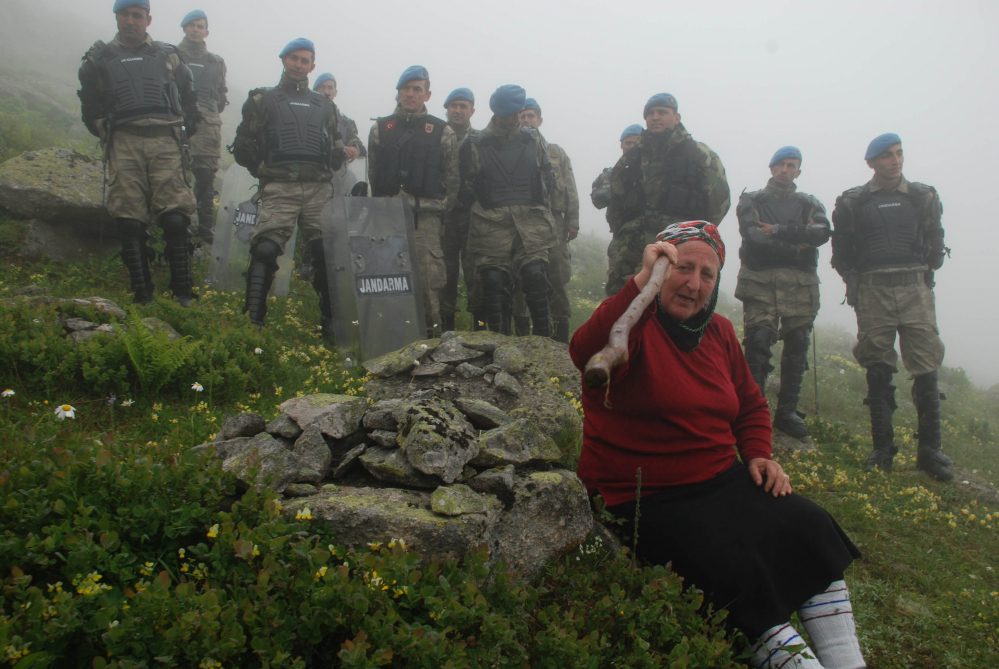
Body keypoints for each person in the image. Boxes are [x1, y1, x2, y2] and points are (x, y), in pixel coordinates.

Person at [570, 222, 865, 669]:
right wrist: (637, 284)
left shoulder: (720, 332)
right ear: (658, 269)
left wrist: (760, 453)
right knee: (734, 569)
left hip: (719, 479)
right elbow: (584, 349)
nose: (694, 283)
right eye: (682, 268)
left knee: (808, 525)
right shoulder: (631, 327)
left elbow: (749, 404)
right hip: (645, 494)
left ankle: (847, 661)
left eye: (707, 274)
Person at [831, 134, 952, 481]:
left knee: (926, 365)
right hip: (873, 290)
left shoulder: (922, 196)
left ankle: (930, 451)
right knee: (878, 365)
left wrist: (924, 269)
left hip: (915, 286)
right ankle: (882, 449)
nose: (895, 161)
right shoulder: (854, 201)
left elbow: (935, 241)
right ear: (871, 163)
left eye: (899, 154)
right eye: (886, 156)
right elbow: (842, 250)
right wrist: (858, 280)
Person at [78, 0, 202, 307]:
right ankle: (142, 294)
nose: (130, 20)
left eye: (137, 15)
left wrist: (182, 134)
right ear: (117, 17)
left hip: (166, 140)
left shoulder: (168, 55)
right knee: (129, 220)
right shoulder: (97, 59)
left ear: (148, 19)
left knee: (175, 218)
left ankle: (183, 295)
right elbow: (90, 108)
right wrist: (109, 133)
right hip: (124, 141)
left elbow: (190, 103)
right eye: (125, 14)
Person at [229, 38, 343, 335]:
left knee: (325, 253)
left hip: (318, 189)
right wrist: (266, 172)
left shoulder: (326, 106)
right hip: (279, 187)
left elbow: (336, 149)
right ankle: (253, 320)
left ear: (312, 66)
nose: (299, 64)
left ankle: (333, 324)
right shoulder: (261, 100)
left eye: (305, 60)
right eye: (294, 58)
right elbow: (243, 145)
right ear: (284, 60)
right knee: (265, 249)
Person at [735, 146, 831, 439]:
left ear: (798, 171)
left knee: (798, 343)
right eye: (781, 165)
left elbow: (822, 234)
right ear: (771, 167)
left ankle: (787, 411)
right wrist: (797, 244)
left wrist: (775, 230)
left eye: (792, 166)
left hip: (800, 282)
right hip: (760, 278)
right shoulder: (751, 200)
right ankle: (753, 410)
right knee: (758, 341)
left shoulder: (810, 203)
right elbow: (752, 236)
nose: (785, 170)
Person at [605, 93, 730, 296]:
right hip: (631, 253)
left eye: (662, 112)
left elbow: (718, 204)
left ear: (676, 117)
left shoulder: (700, 155)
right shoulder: (630, 158)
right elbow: (616, 205)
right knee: (622, 308)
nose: (655, 117)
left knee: (676, 309)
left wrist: (690, 238)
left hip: (680, 251)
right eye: (651, 113)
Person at [459, 85, 558, 336]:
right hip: (490, 225)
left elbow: (548, 178)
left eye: (517, 112)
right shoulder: (474, 144)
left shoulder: (533, 138)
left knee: (536, 278)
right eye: (508, 113)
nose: (514, 118)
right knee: (493, 285)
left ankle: (544, 344)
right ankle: (499, 348)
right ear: (497, 112)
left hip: (531, 224)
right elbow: (464, 188)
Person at [368, 66, 460, 337]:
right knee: (385, 281)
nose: (410, 94)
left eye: (417, 89)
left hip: (426, 222)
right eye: (406, 88)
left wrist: (436, 210)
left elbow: (452, 182)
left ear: (427, 94)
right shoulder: (381, 129)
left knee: (428, 285)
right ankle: (387, 340)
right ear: (398, 92)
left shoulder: (443, 132)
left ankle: (431, 345)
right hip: (387, 220)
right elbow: (374, 173)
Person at [516, 98, 580, 343]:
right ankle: (523, 338)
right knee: (522, 278)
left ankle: (560, 339)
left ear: (539, 120)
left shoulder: (556, 152)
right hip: (523, 222)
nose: (526, 120)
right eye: (522, 115)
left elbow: (570, 187)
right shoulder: (512, 148)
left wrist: (572, 220)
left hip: (554, 222)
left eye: (530, 116)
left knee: (557, 276)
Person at [176, 9, 227, 243]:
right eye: (192, 25)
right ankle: (179, 224)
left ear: (207, 31)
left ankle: (205, 227)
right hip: (177, 119)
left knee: (206, 178)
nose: (196, 30)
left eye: (200, 26)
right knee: (176, 174)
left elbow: (220, 95)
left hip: (208, 126)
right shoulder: (172, 55)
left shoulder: (216, 62)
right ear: (184, 28)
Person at [440, 87, 478, 332]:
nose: (458, 110)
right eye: (453, 105)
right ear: (447, 109)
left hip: (474, 216)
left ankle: (481, 325)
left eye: (463, 106)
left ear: (472, 111)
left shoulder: (481, 139)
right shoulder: (435, 135)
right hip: (443, 216)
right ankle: (446, 327)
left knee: (476, 273)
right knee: (445, 272)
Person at [313, 72, 365, 162]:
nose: (326, 92)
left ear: (335, 92)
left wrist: (354, 148)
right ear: (315, 91)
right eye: (322, 87)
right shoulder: (305, 116)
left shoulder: (344, 123)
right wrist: (339, 148)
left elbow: (358, 144)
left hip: (336, 173)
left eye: (330, 88)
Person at [591, 124, 642, 214]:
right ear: (621, 145)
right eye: (628, 143)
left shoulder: (652, 171)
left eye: (636, 143)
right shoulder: (613, 174)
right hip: (621, 226)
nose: (632, 147)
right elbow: (599, 199)